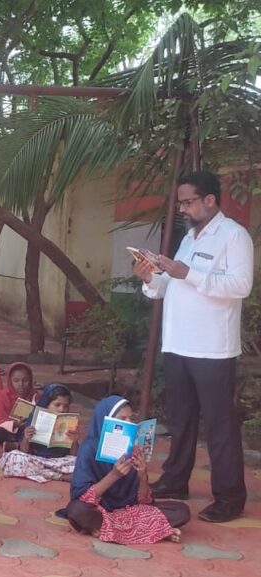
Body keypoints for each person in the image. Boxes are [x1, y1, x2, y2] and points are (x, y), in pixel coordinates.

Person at [135, 171, 253, 523]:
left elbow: (241, 285)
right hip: (178, 344)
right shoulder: (189, 238)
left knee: (219, 425)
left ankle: (230, 496)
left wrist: (189, 274)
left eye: (187, 201)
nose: (183, 208)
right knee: (181, 420)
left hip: (212, 348)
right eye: (181, 202)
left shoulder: (233, 236)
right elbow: (169, 287)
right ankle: (175, 480)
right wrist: (150, 278)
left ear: (209, 200)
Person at [66, 396, 189, 544]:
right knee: (76, 511)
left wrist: (143, 476)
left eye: (131, 419)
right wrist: (114, 475)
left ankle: (104, 529)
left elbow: (143, 502)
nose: (130, 423)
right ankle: (157, 530)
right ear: (106, 421)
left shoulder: (133, 449)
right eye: (123, 419)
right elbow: (83, 496)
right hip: (100, 509)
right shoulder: (89, 448)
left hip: (130, 510)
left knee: (182, 511)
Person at [0, 384, 78, 483]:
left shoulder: (68, 422)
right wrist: (26, 438)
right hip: (36, 459)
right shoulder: (35, 417)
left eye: (66, 406)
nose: (61, 409)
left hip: (59, 461)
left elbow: (73, 455)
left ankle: (45, 473)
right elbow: (24, 450)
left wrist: (74, 441)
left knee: (81, 463)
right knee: (16, 457)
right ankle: (57, 476)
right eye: (57, 405)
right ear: (46, 403)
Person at [0, 362, 37, 445]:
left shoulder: (35, 395)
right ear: (10, 380)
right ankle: (16, 443)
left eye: (25, 380)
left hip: (28, 430)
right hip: (11, 431)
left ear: (31, 380)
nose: (21, 384)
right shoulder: (4, 395)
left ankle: (16, 445)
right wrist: (15, 423)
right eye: (16, 381)